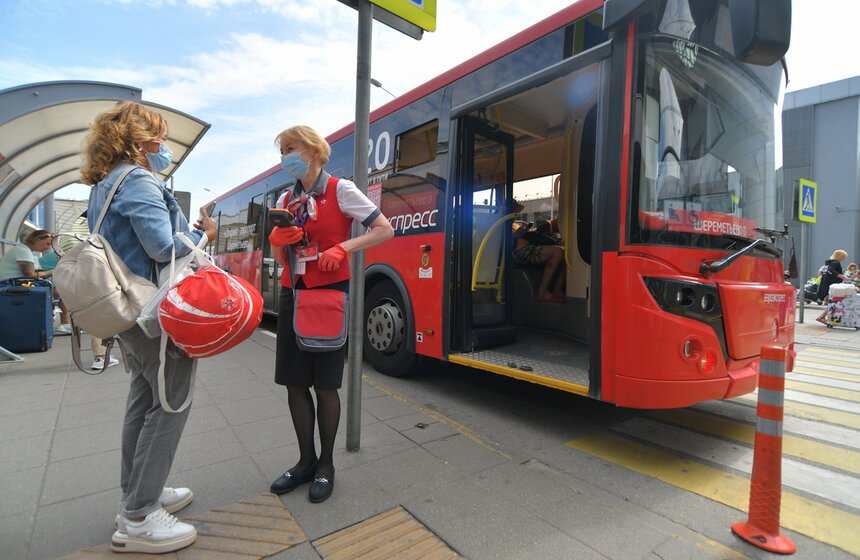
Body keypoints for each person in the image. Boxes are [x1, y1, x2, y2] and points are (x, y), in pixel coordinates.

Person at [81, 101, 217, 554]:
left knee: (143, 401)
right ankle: (138, 517)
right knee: (171, 403)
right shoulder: (138, 179)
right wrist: (204, 236)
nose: (164, 146)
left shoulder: (104, 184)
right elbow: (162, 247)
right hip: (154, 313)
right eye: (160, 137)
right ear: (140, 140)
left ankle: (138, 494)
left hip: (128, 311)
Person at [268, 125, 393, 503]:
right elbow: (280, 258)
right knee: (294, 383)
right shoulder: (286, 198)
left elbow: (383, 229)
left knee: (325, 385)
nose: (285, 156)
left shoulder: (341, 189)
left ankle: (326, 465)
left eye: (291, 148)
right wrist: (277, 241)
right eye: (282, 151)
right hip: (293, 293)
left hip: (329, 296)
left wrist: (343, 248)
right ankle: (305, 461)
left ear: (313, 150)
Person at [0, 230, 74, 335]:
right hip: (12, 286)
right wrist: (53, 271)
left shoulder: (29, 252)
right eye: (48, 243)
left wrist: (51, 272)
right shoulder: (23, 251)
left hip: (18, 284)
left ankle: (63, 323)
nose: (49, 247)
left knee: (62, 289)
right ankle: (64, 323)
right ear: (38, 239)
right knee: (63, 290)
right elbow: (30, 274)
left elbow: (36, 272)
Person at [511, 200, 566, 303]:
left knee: (566, 254)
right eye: (513, 210)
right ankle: (542, 292)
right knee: (558, 252)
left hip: (526, 247)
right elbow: (502, 241)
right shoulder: (501, 224)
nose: (515, 214)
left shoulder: (514, 225)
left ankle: (557, 289)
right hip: (519, 251)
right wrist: (517, 234)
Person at [817, 249, 848, 325]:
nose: (844, 258)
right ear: (840, 256)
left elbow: (826, 273)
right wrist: (842, 276)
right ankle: (821, 317)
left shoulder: (828, 264)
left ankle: (822, 317)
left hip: (825, 285)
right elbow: (831, 271)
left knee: (833, 302)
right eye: (844, 256)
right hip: (833, 286)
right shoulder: (836, 262)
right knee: (835, 302)